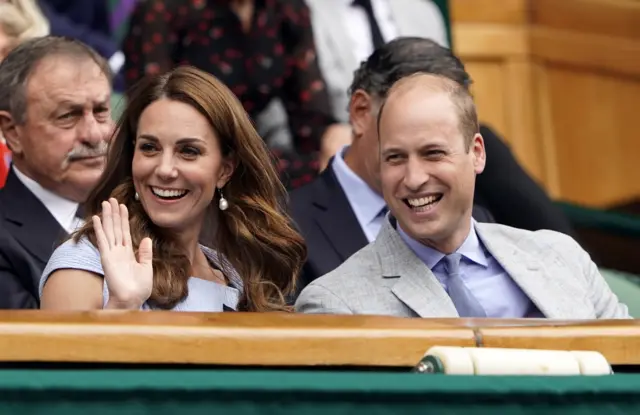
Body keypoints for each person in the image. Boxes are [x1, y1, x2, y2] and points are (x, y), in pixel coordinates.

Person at [295, 73, 629, 319]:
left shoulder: (562, 258)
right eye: (395, 158)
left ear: (478, 153)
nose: (413, 179)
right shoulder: (335, 302)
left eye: (433, 153)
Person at [290, 37, 576, 292]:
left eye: (435, 149)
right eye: (409, 120)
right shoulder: (281, 227)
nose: (416, 178)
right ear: (362, 111)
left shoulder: (475, 219)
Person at [39, 65, 306, 312]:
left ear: (225, 170)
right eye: (149, 147)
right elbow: (64, 362)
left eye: (188, 151)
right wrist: (122, 305)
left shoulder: (233, 277)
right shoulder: (85, 264)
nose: (165, 169)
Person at [121, 0, 351, 188]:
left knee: (336, 163)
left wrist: (333, 138)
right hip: (183, 154)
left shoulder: (287, 9)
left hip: (258, 156)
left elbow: (311, 116)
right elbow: (150, 112)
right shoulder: (164, 10)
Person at [0, 36, 113, 308]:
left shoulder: (145, 209)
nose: (94, 134)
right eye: (67, 116)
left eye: (101, 111)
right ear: (13, 132)